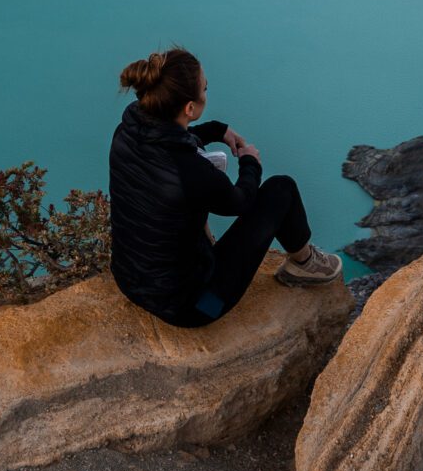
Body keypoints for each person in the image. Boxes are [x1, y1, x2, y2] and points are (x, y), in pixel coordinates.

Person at [108, 45, 342, 326]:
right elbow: (240, 201)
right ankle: (305, 265)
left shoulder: (127, 131)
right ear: (190, 108)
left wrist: (216, 130)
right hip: (192, 308)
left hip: (129, 281)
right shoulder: (192, 172)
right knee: (282, 189)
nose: (207, 93)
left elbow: (167, 138)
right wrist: (250, 162)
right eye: (204, 89)